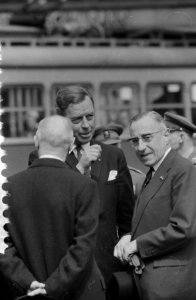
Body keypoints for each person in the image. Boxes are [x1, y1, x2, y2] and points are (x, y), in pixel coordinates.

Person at [28, 86, 135, 289]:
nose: (86, 125)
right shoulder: (41, 157)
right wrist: (79, 168)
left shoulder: (114, 156)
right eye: (77, 120)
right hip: (65, 273)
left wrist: (126, 239)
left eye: (90, 116)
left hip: (108, 270)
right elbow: (49, 212)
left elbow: (127, 216)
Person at [0, 115, 105, 300]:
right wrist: (52, 287)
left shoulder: (8, 187)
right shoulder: (84, 186)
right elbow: (83, 247)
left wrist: (29, 282)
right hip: (79, 293)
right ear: (72, 142)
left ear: (36, 140)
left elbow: (3, 247)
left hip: (27, 293)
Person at [114, 111, 196, 300]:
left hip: (170, 287)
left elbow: (183, 228)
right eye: (135, 141)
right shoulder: (153, 173)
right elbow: (152, 221)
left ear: (166, 135)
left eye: (147, 138)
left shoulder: (183, 170)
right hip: (156, 284)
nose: (141, 147)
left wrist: (136, 244)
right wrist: (129, 237)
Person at [93, 122, 145, 198]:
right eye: (105, 147)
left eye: (114, 146)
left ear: (120, 147)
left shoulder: (138, 178)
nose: (110, 151)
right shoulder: (88, 177)